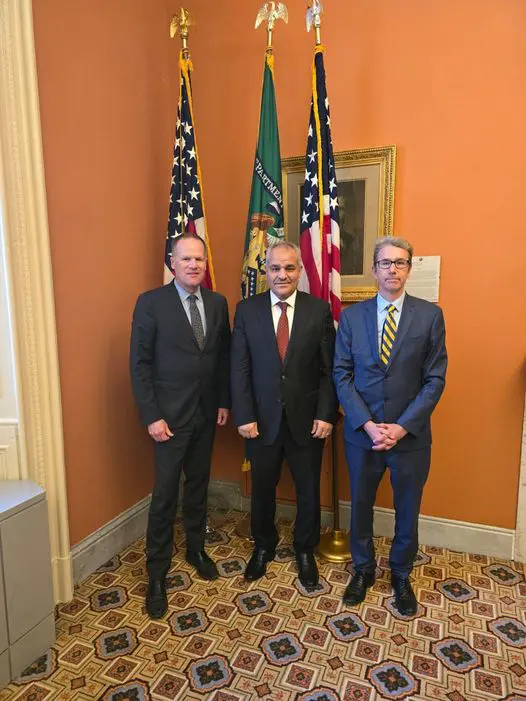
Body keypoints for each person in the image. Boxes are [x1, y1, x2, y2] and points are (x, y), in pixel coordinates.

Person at [333, 236, 447, 615]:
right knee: (360, 505)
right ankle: (363, 570)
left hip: (409, 437)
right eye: (386, 263)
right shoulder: (352, 318)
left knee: (407, 509)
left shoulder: (429, 316)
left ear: (409, 269)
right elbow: (342, 375)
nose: (393, 269)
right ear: (374, 269)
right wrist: (367, 424)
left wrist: (401, 427)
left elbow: (435, 379)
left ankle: (400, 573)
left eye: (400, 263)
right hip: (362, 435)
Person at [130, 234, 231, 619]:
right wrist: (151, 416)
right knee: (165, 495)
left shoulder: (218, 303)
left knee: (199, 485)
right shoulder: (151, 303)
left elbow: (223, 357)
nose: (193, 265)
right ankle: (157, 572)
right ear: (172, 262)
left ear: (205, 263)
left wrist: (223, 401)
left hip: (206, 413)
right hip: (168, 419)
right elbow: (139, 364)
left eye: (199, 259)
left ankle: (195, 549)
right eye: (186, 259)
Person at [231, 241, 338, 588]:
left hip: (307, 421)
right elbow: (239, 367)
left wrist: (326, 414)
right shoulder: (246, 311)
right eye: (275, 268)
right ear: (266, 271)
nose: (282, 275)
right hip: (260, 422)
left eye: (289, 268)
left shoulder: (318, 311)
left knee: (308, 489)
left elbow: (329, 370)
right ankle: (263, 546)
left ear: (300, 271)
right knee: (263, 488)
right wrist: (244, 414)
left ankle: (305, 550)